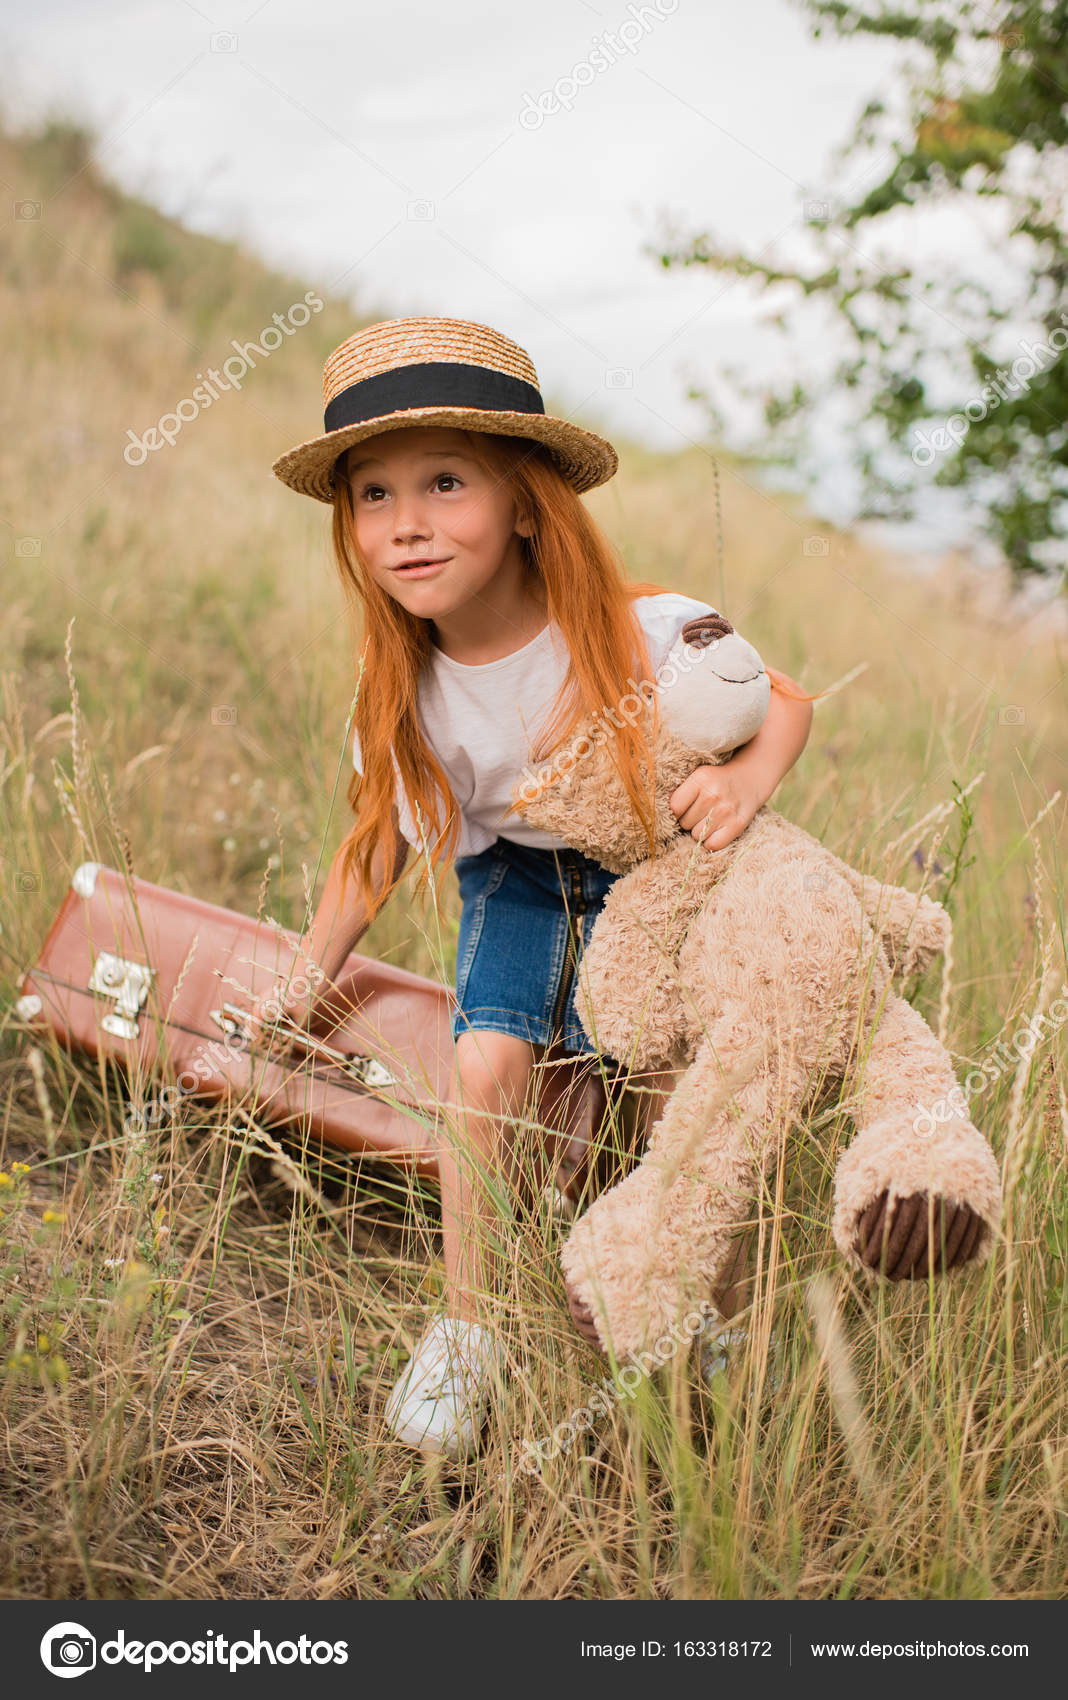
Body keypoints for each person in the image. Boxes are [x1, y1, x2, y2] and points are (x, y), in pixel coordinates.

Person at [257, 316, 813, 1460]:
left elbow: (786, 697)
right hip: (514, 875)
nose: (405, 523)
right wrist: (305, 973)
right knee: (486, 1060)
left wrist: (748, 782)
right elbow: (378, 844)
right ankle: (469, 1331)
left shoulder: (638, 629)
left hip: (655, 868)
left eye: (445, 483)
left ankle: (697, 1305)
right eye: (373, 495)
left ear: (524, 502)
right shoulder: (405, 681)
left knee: (669, 1069)